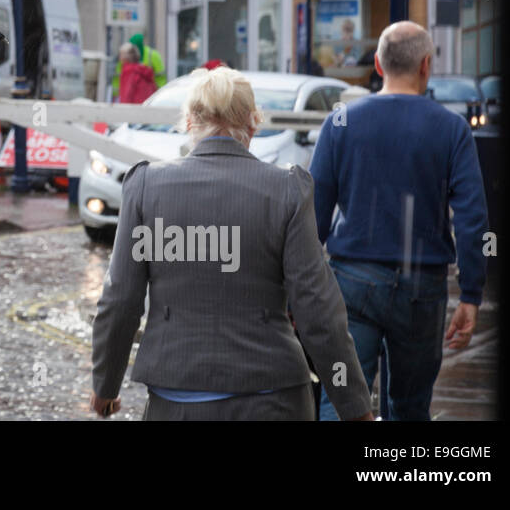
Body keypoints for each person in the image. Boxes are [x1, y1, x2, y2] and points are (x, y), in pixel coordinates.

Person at [90, 66, 373, 421]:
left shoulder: (146, 188)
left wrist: (106, 385)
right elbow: (318, 310)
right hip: (272, 397)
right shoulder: (287, 190)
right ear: (253, 124)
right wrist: (354, 406)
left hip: (177, 398)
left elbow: (120, 301)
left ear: (190, 122)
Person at [313, 21, 488, 422]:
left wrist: (299, 291)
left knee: (340, 401)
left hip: (352, 282)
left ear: (377, 63)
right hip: (421, 287)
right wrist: (471, 293)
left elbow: (313, 213)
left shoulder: (340, 124)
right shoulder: (452, 130)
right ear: (427, 65)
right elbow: (473, 217)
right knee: (410, 408)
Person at [112, 32, 166, 98]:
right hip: (150, 97)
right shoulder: (144, 69)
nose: (120, 58)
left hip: (147, 98)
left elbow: (127, 94)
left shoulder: (128, 70)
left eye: (121, 55)